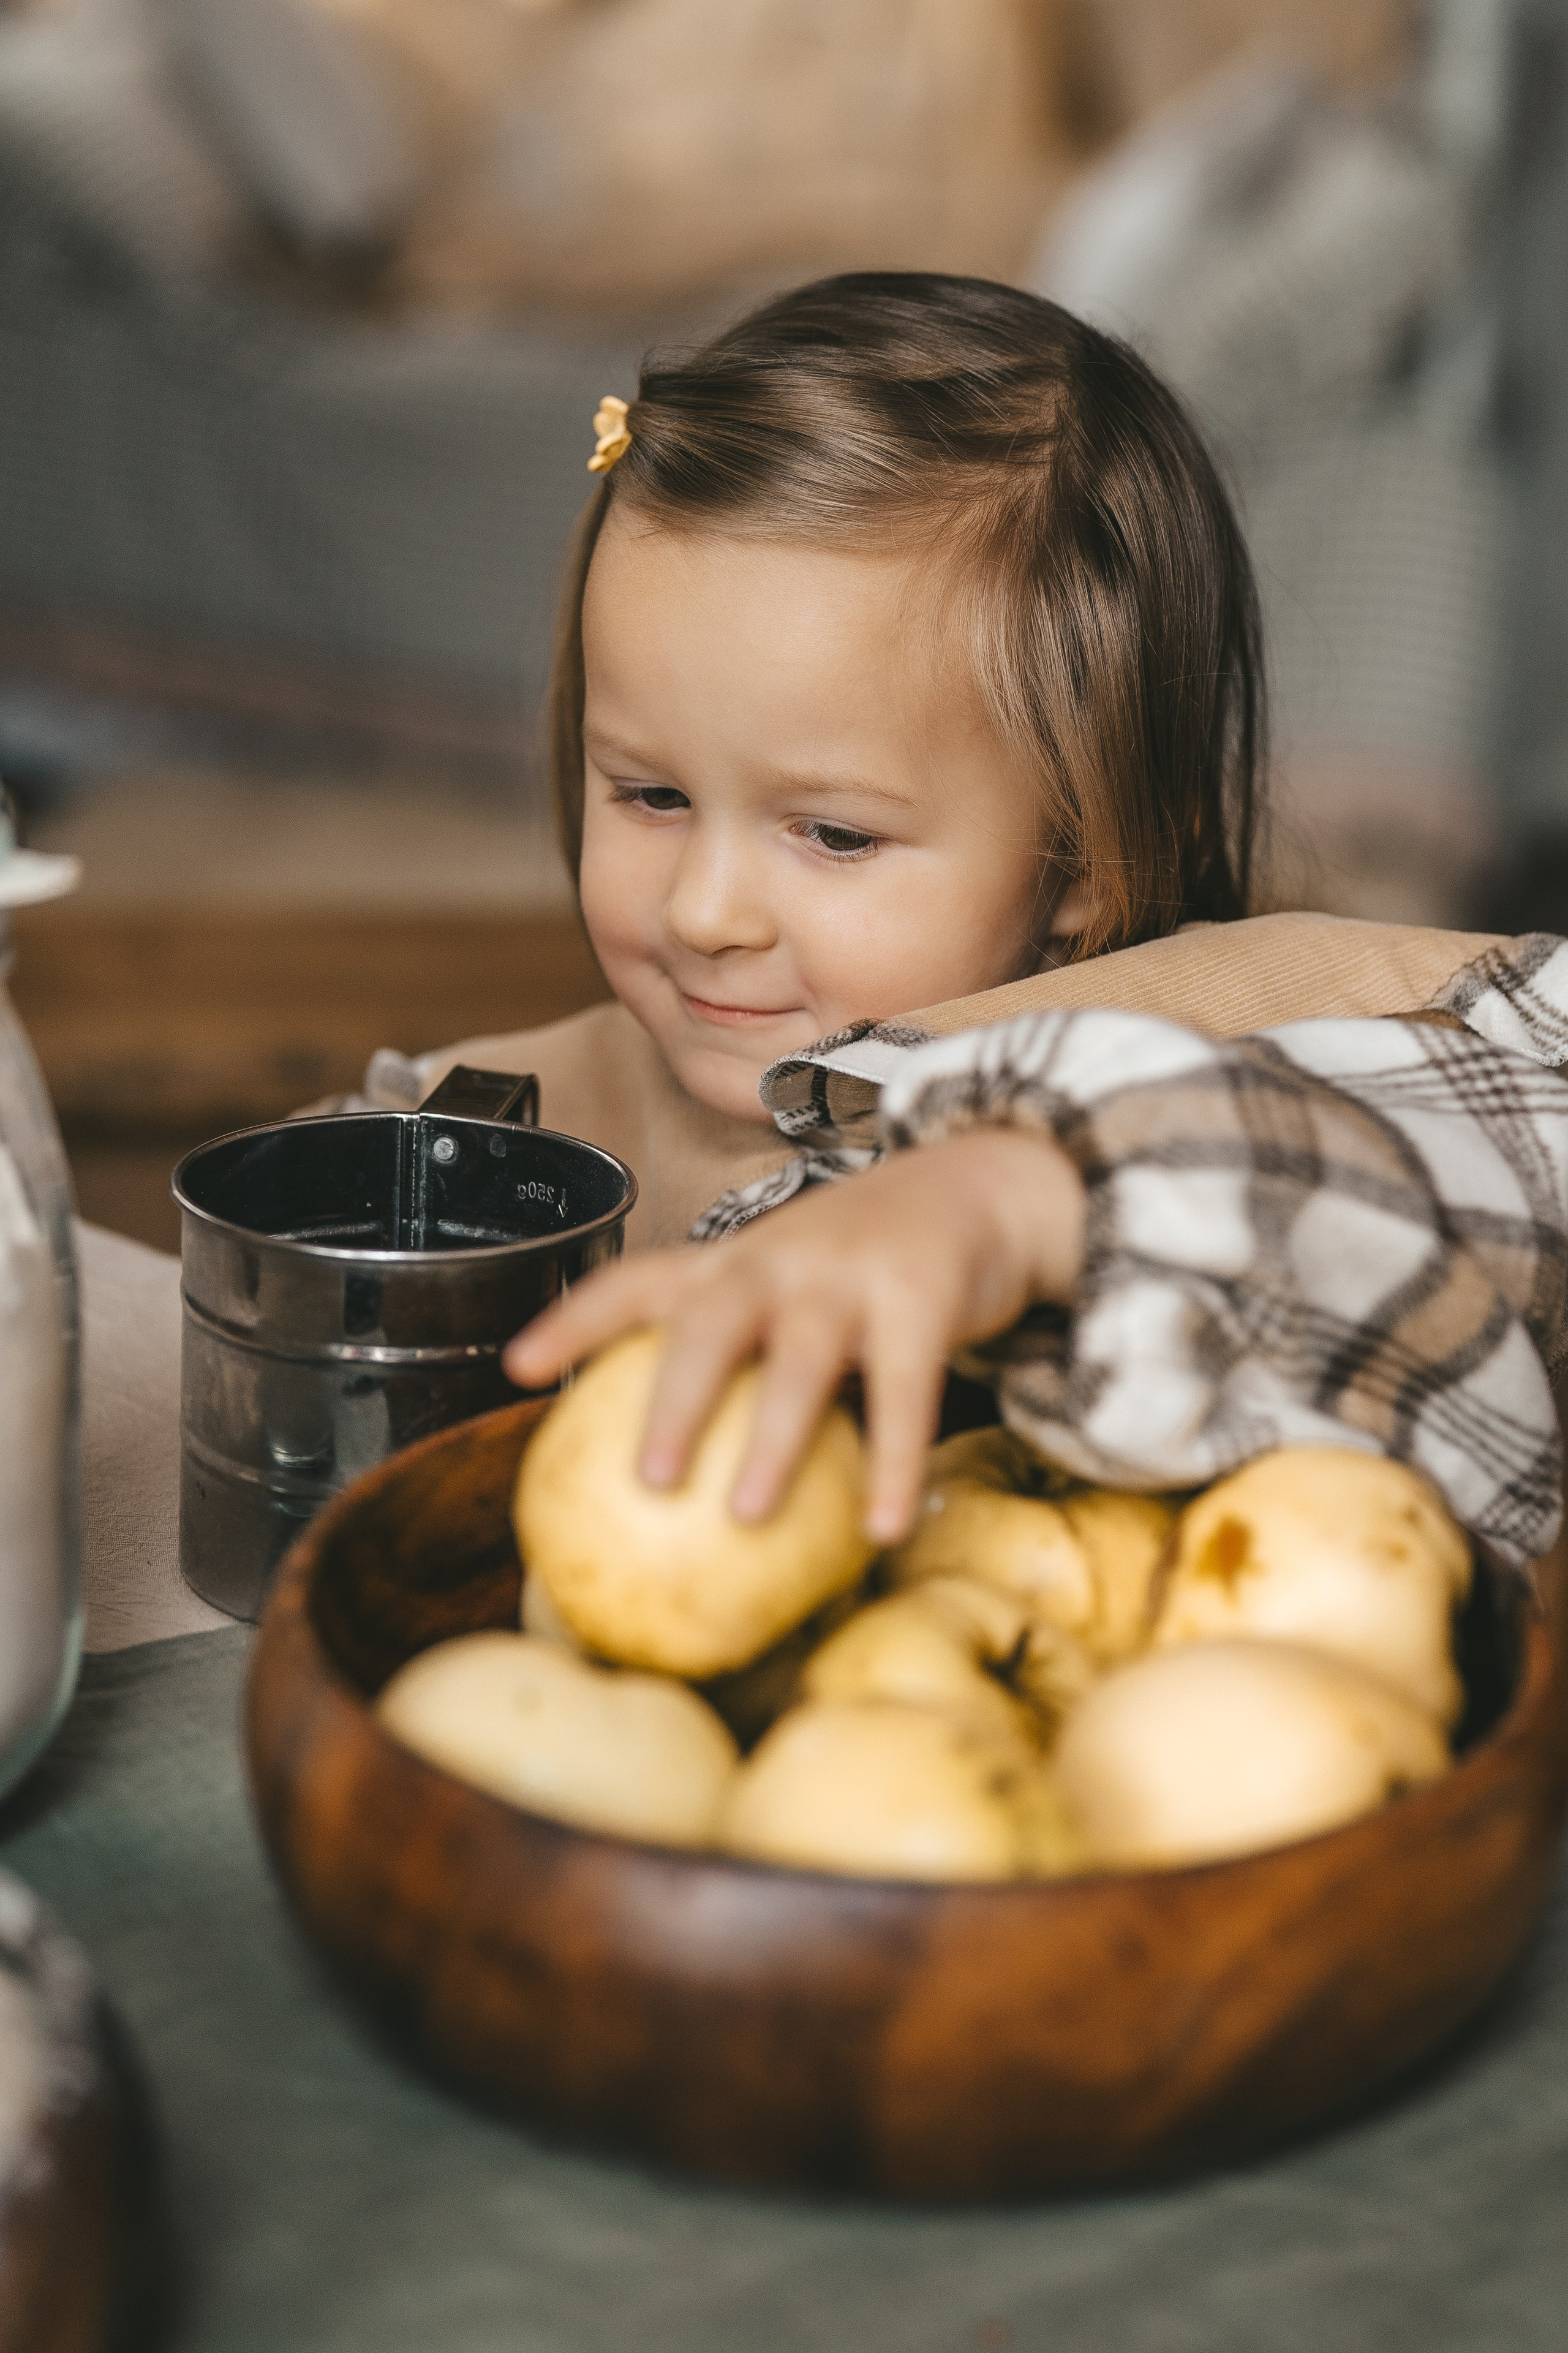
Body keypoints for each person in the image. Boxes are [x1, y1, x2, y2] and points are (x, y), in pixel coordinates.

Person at [402, 273, 1568, 1570]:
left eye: (834, 833)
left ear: (1081, 854)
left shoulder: (1248, 1018)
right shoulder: (542, 1095)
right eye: (652, 795)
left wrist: (1025, 1196)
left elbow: (1520, 1180)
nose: (703, 912)